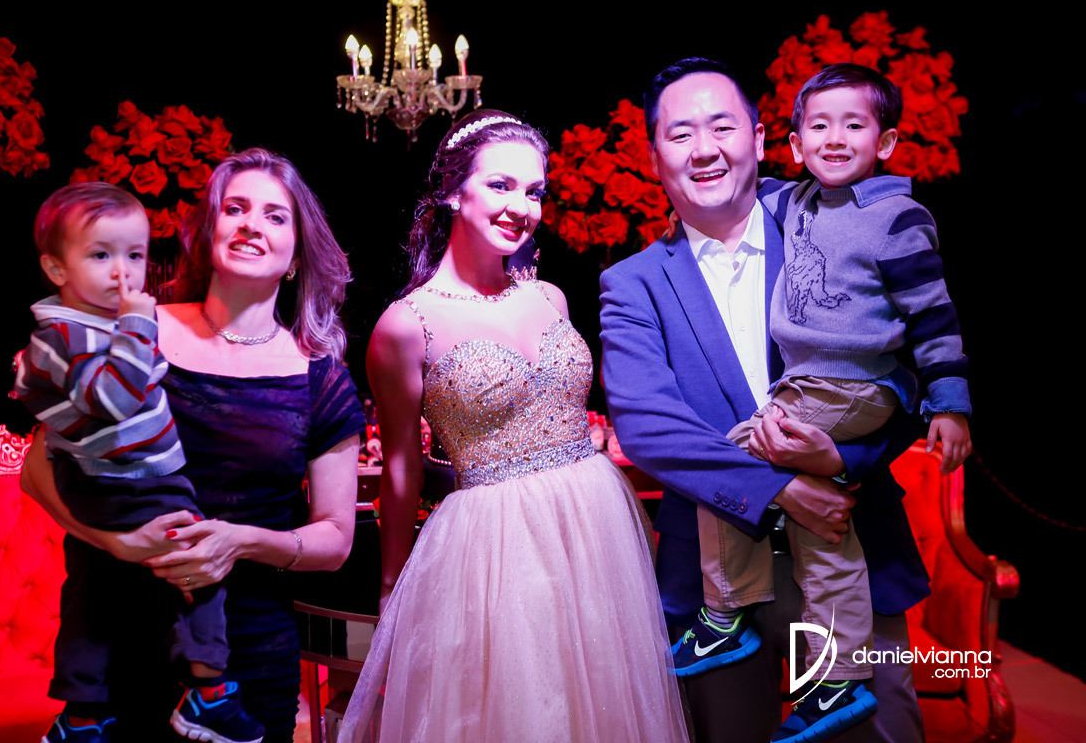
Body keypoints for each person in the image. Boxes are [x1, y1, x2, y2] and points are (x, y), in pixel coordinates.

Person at [599, 58, 929, 743]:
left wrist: (840, 459)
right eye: (680, 134)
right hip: (713, 582)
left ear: (759, 137)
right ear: (654, 155)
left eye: (723, 127)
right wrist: (779, 488)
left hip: (848, 545)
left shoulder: (838, 228)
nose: (705, 149)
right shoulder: (632, 283)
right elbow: (650, 427)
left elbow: (908, 369)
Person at [338, 110, 690, 743]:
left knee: (605, 704)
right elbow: (401, 468)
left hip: (595, 525)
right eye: (500, 185)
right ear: (453, 192)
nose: (521, 207)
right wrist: (393, 585)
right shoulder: (407, 325)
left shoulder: (550, 297)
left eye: (534, 191)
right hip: (492, 546)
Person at [22, 148, 364, 743]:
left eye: (275, 216)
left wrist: (239, 541)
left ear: (295, 257)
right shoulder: (134, 331)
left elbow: (335, 539)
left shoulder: (320, 378)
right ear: (209, 233)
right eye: (235, 208)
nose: (251, 224)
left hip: (247, 657)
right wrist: (118, 543)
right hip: (119, 642)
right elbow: (37, 470)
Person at [681, 62, 973, 741]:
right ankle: (830, 676)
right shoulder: (794, 203)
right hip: (809, 393)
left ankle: (728, 618)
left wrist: (950, 405)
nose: (835, 138)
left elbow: (934, 318)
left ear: (886, 141)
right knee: (802, 518)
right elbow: (738, 186)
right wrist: (700, 180)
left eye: (853, 125)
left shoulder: (897, 217)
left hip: (852, 389)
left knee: (731, 465)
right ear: (793, 142)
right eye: (819, 125)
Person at [15, 183, 263, 743]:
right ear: (55, 268)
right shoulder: (66, 334)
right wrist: (137, 323)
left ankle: (82, 716)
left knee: (94, 593)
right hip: (129, 480)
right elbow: (115, 399)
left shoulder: (94, 326)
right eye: (101, 255)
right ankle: (208, 693)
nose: (122, 273)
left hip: (123, 477)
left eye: (135, 255)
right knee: (197, 564)